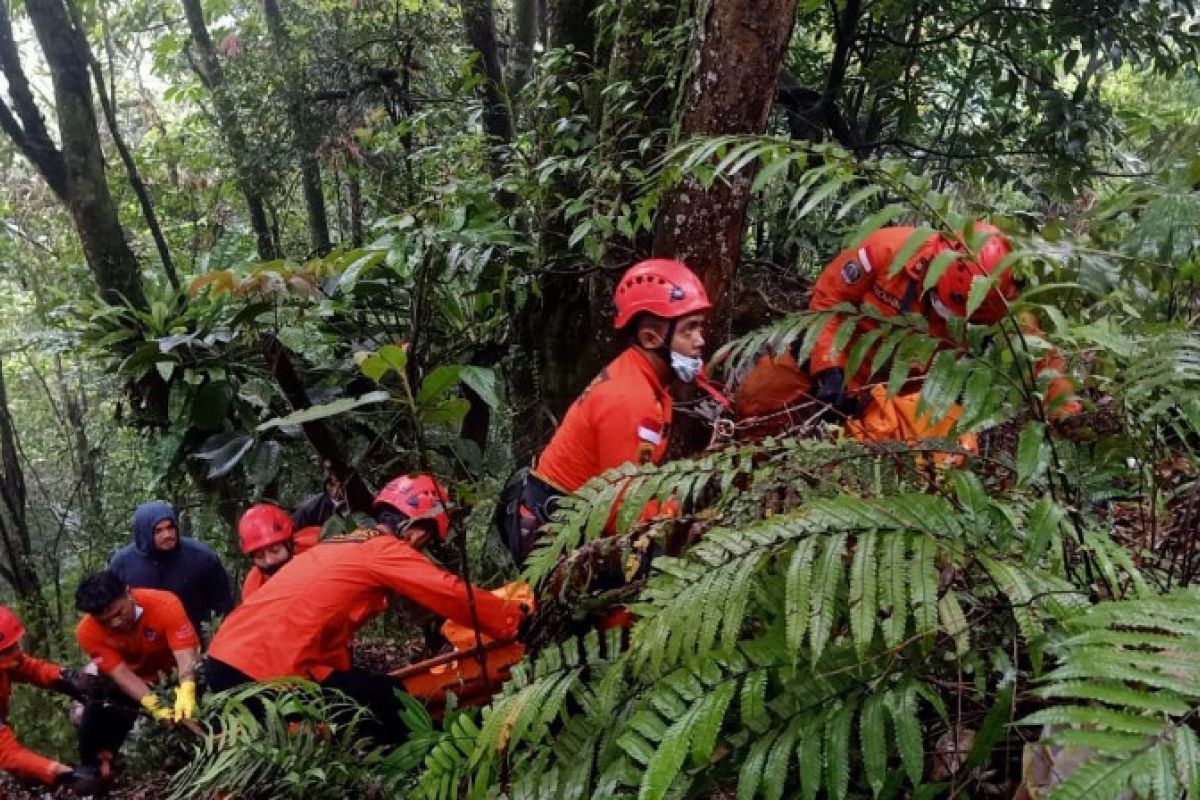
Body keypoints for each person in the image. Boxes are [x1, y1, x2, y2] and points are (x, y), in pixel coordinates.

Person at [205, 474, 525, 744]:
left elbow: (319, 626)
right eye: (426, 540)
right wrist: (514, 620)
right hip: (259, 668)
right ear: (417, 530)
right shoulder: (382, 550)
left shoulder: (342, 543)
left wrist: (345, 676)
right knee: (377, 714)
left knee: (381, 694)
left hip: (229, 660)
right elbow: (450, 593)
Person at [733, 223, 1079, 431]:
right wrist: (829, 367)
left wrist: (1066, 412)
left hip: (905, 389)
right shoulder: (889, 249)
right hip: (844, 352)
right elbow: (827, 301)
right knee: (756, 398)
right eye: (941, 303)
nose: (942, 314)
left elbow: (1039, 358)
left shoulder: (1000, 301)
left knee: (938, 444)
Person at [499, 258, 717, 565]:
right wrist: (678, 522)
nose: (700, 341)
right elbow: (623, 510)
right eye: (689, 330)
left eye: (700, 328)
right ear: (650, 338)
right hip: (548, 533)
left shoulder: (645, 382)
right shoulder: (631, 398)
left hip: (571, 517)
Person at [73, 571, 201, 770]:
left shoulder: (165, 603)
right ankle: (99, 768)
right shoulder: (87, 632)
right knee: (92, 705)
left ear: (128, 593)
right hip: (136, 680)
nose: (115, 623)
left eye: (118, 613)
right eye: (105, 621)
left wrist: (187, 689)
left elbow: (186, 654)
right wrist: (154, 705)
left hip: (175, 673)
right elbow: (121, 674)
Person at [0, 605, 99, 793]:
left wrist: (64, 678)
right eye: (6, 652)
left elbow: (29, 668)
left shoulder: (7, 657)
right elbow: (7, 753)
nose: (13, 655)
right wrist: (61, 773)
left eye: (14, 647)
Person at [109, 500, 234, 636]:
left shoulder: (201, 557)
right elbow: (111, 607)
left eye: (170, 528)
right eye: (158, 531)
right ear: (144, 533)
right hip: (143, 644)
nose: (167, 535)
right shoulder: (123, 563)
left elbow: (223, 607)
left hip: (194, 639)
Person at [237, 503, 320, 602]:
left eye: (275, 550)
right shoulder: (253, 588)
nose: (269, 561)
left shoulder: (318, 546)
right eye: (259, 556)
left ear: (290, 543)